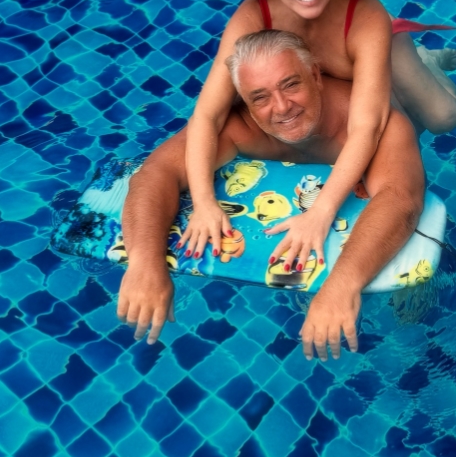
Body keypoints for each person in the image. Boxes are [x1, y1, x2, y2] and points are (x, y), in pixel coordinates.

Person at [182, 0, 456, 271]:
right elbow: (207, 115)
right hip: (331, 79)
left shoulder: (364, 12)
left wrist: (322, 211)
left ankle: (428, 60)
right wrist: (203, 203)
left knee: (442, 118)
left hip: (382, 45)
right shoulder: (253, 17)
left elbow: (367, 126)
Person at [117, 30, 425, 360]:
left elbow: (400, 199)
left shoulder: (376, 121)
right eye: (260, 97)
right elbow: (155, 174)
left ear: (315, 76)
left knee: (440, 108)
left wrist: (343, 285)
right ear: (244, 100)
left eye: (291, 85)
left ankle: (420, 56)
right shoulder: (239, 126)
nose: (281, 107)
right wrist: (145, 264)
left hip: (396, 88)